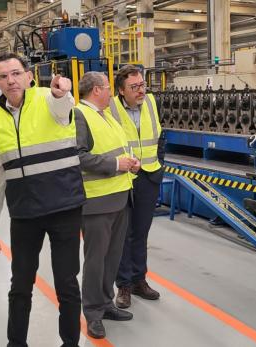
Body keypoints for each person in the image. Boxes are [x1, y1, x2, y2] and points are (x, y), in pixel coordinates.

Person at [0, 53, 84, 347]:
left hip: (64, 208)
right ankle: (16, 343)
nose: (10, 81)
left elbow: (64, 107)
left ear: (29, 75)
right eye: (3, 76)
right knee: (20, 284)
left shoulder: (48, 98)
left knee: (66, 283)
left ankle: (70, 343)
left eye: (16, 73)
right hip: (25, 214)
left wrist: (62, 92)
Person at [73, 71, 139, 339]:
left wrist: (130, 163)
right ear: (97, 89)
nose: (111, 92)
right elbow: (77, 155)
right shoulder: (80, 115)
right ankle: (92, 313)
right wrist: (115, 165)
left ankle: (105, 303)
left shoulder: (106, 115)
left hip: (120, 196)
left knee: (111, 258)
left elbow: (115, 149)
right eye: (109, 88)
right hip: (97, 201)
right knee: (96, 261)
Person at [108, 65, 164, 309]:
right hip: (123, 179)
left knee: (141, 233)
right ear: (121, 90)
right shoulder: (110, 108)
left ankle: (140, 280)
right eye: (134, 87)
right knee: (123, 235)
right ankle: (124, 285)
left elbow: (161, 136)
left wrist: (159, 164)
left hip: (149, 176)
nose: (141, 90)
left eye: (142, 85)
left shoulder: (152, 102)